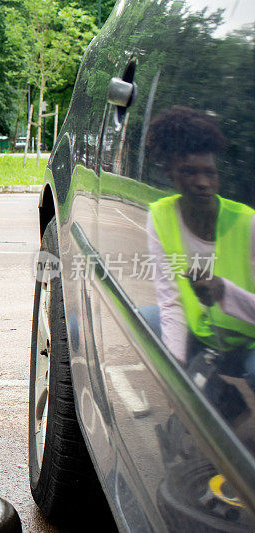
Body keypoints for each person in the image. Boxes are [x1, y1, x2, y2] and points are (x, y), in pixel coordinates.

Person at [145, 106, 255, 418]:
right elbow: (171, 302)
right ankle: (222, 398)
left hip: (248, 345)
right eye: (189, 172)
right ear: (169, 173)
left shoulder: (248, 224)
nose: (203, 182)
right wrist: (175, 374)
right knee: (147, 318)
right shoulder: (161, 217)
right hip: (206, 337)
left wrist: (225, 292)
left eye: (210, 172)